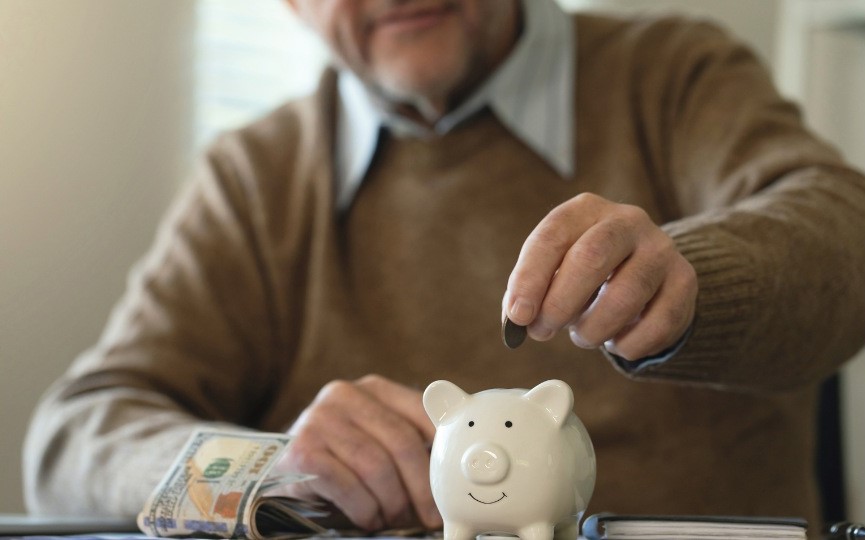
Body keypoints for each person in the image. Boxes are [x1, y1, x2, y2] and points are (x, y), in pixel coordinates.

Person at [23, 0, 865, 534]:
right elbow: (73, 435)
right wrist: (267, 468)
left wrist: (688, 279)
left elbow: (845, 235)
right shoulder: (254, 179)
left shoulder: (673, 75)